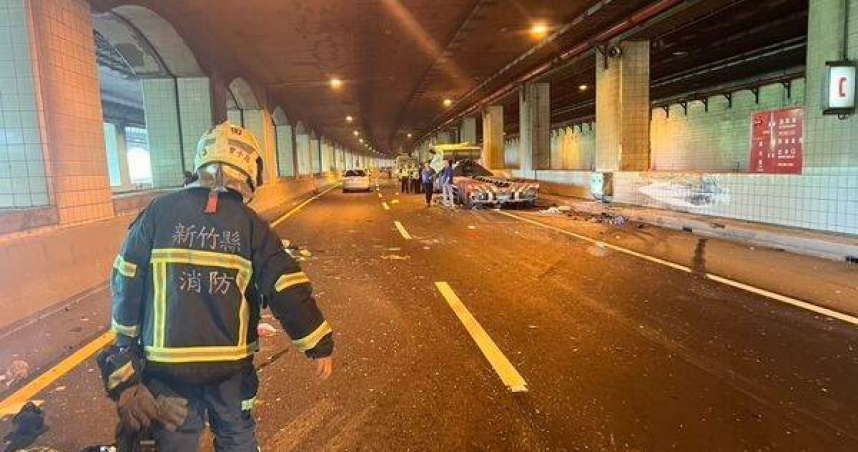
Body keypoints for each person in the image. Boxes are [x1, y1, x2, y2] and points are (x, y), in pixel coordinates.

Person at [98, 122, 334, 451]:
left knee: (174, 440)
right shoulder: (251, 225)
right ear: (250, 168)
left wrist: (125, 344)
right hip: (230, 367)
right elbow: (285, 284)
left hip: (167, 367)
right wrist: (317, 341)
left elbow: (127, 280)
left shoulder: (158, 213)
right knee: (236, 437)